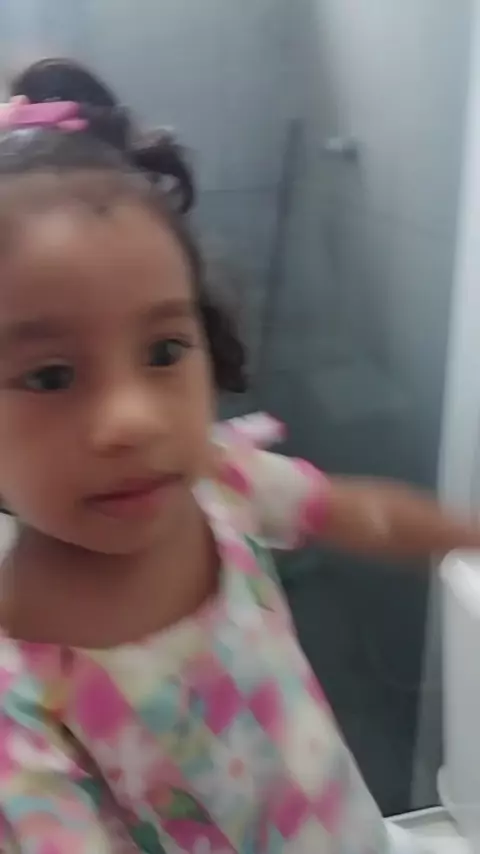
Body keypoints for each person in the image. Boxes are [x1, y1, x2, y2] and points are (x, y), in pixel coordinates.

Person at [0, 80, 474, 854]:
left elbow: (366, 514)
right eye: (51, 376)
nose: (132, 419)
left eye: (164, 351)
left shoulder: (221, 482)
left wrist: (469, 533)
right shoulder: (22, 694)